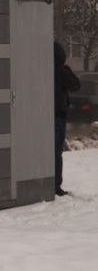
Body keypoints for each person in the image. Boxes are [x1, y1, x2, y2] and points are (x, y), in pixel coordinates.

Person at [54, 42, 81, 197]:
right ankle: (56, 185)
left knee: (51, 151)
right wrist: (67, 69)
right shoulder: (61, 72)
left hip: (48, 115)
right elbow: (76, 85)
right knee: (57, 152)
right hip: (59, 115)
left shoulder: (46, 69)